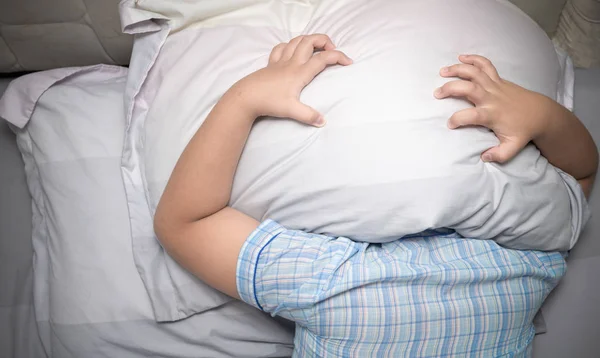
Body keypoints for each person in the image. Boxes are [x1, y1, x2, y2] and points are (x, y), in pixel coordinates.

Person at [153, 34, 598, 356]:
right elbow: (579, 175)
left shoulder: (333, 289)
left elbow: (186, 222)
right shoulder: (521, 273)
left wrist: (243, 98)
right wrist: (540, 115)